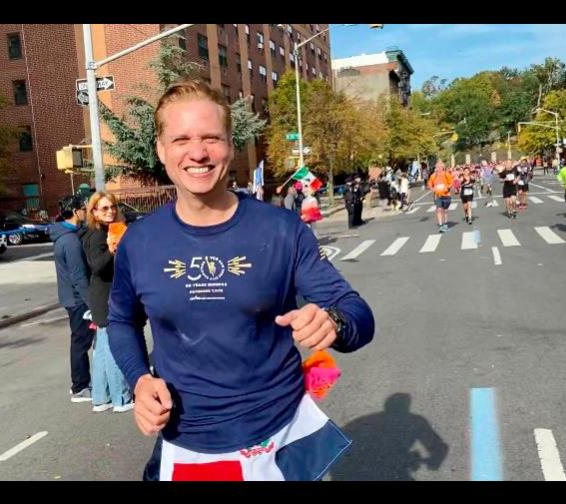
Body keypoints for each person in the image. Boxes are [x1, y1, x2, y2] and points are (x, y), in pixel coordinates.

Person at [107, 80, 375, 481]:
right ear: (161, 149)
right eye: (181, 139)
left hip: (279, 434)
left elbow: (358, 315)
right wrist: (139, 379)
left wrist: (333, 323)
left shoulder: (281, 230)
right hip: (186, 441)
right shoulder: (140, 241)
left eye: (211, 138)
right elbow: (121, 320)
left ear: (230, 146)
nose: (198, 152)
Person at [82, 191, 134, 413]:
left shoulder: (107, 230)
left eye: (112, 206)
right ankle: (121, 398)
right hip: (106, 297)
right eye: (104, 208)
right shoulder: (96, 235)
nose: (110, 211)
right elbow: (96, 267)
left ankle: (100, 397)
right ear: (94, 211)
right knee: (114, 348)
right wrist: (112, 250)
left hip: (103, 295)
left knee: (103, 349)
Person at [50, 197, 95, 403]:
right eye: (84, 209)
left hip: (71, 297)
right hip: (77, 300)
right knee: (81, 342)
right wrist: (91, 302)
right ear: (76, 212)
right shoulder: (70, 241)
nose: (87, 211)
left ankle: (80, 383)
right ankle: (80, 387)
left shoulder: (64, 235)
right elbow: (78, 276)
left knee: (79, 340)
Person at [428, 160, 454, 232]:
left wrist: (448, 188)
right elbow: (430, 184)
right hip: (437, 195)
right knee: (439, 209)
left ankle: (445, 223)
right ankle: (440, 225)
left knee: (445, 210)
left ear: (443, 167)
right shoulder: (433, 176)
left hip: (446, 195)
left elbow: (451, 182)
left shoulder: (446, 174)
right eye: (437, 167)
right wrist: (432, 189)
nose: (438, 168)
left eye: (440, 167)